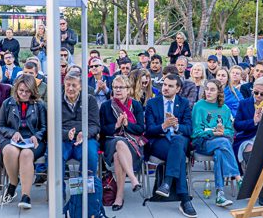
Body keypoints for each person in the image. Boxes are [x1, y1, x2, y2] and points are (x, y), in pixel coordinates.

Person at [145, 74, 197, 218]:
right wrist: (164, 126)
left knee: (178, 140)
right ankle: (185, 200)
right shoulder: (152, 103)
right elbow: (149, 130)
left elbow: (189, 129)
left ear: (178, 89)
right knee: (178, 154)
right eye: (165, 84)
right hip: (159, 140)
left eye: (170, 86)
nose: (166, 88)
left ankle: (167, 182)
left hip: (179, 139)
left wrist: (175, 125)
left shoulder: (184, 102)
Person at [0, 74, 47, 208]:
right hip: (11, 138)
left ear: (33, 91)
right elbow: (0, 126)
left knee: (26, 154)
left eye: (27, 91)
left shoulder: (39, 105)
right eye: (21, 90)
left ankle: (26, 196)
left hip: (33, 140)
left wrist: (37, 135)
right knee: (10, 151)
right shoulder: (7, 103)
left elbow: (44, 127)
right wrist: (13, 132)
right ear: (16, 89)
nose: (24, 94)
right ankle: (13, 183)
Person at [191, 79, 242, 207]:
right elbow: (196, 132)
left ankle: (220, 194)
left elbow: (230, 131)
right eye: (207, 89)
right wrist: (212, 133)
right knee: (223, 143)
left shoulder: (225, 108)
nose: (208, 92)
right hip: (203, 143)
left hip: (221, 143)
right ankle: (238, 178)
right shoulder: (199, 106)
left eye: (212, 90)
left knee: (220, 151)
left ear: (219, 92)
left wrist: (223, 132)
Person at [100, 76, 145, 211]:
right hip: (110, 141)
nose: (118, 90)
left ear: (128, 89)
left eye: (121, 87)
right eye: (115, 87)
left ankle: (119, 197)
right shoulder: (106, 106)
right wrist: (116, 126)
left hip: (132, 143)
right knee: (119, 142)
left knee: (118, 156)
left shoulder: (136, 105)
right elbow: (101, 129)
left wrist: (127, 124)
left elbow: (141, 129)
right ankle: (133, 179)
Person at [59, 71, 100, 205]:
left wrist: (85, 133)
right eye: (68, 85)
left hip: (85, 138)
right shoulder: (56, 100)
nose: (70, 88)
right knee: (55, 156)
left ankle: (81, 196)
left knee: (89, 154)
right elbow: (51, 126)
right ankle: (60, 195)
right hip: (63, 139)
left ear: (81, 87)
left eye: (74, 85)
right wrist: (66, 134)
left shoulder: (89, 100)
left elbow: (95, 125)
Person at [233, 77, 263, 206]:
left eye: (262, 94)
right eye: (256, 92)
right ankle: (258, 189)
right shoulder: (244, 103)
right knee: (250, 148)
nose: (258, 96)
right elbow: (237, 125)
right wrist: (254, 121)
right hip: (247, 137)